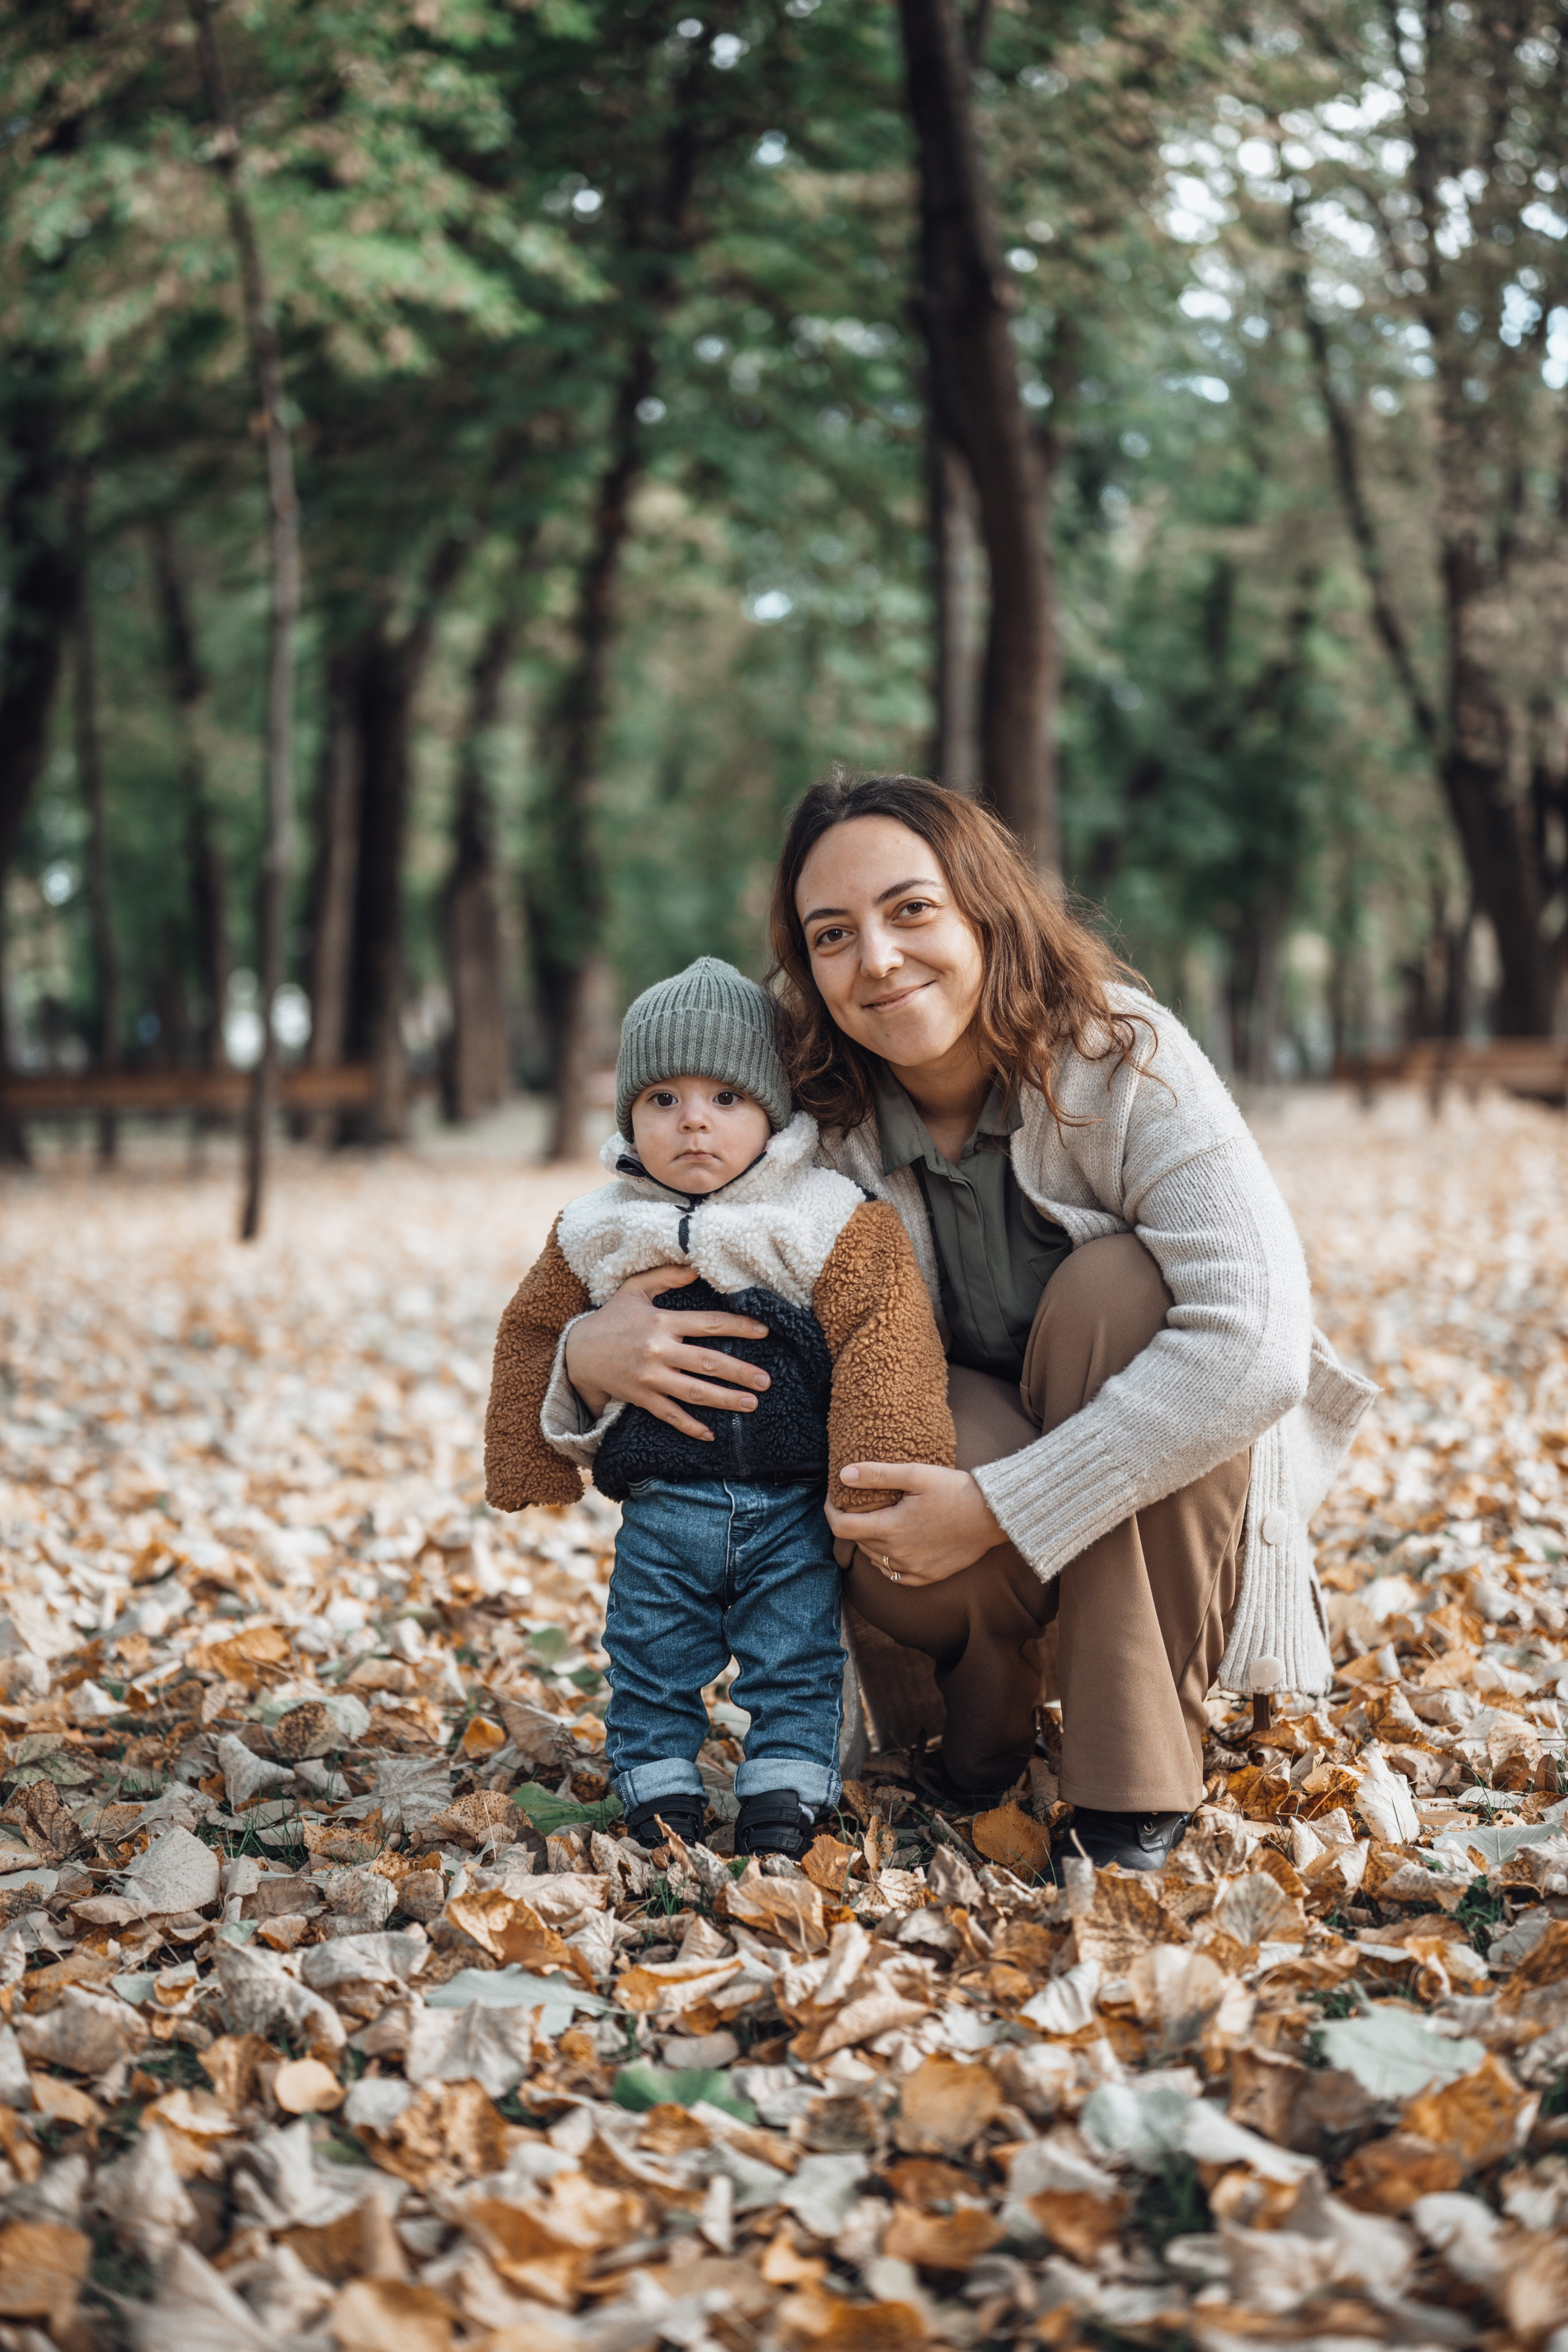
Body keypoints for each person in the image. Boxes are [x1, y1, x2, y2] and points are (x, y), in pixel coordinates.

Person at [562, 779, 1378, 1874]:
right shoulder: (812, 1121)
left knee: (1120, 1290)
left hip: (1150, 1484)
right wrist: (582, 1354)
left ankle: (1129, 1786)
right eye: (834, 936)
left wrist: (1006, 1505)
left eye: (911, 911)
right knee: (880, 1438)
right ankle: (978, 1729)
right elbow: (647, 1221)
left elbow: (1258, 1343)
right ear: (808, 971)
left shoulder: (1124, 1057)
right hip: (951, 1483)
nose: (880, 960)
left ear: (984, 910)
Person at [483, 956, 954, 1859]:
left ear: (772, 1112)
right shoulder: (597, 1225)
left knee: (795, 1656)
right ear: (628, 1116)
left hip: (790, 1506)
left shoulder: (821, 1215)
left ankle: (786, 1788)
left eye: (725, 1100)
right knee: (650, 1655)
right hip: (662, 1508)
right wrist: (527, 1454)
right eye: (662, 1101)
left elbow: (884, 1331)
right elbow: (532, 1330)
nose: (693, 1120)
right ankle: (657, 1787)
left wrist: (873, 1479)